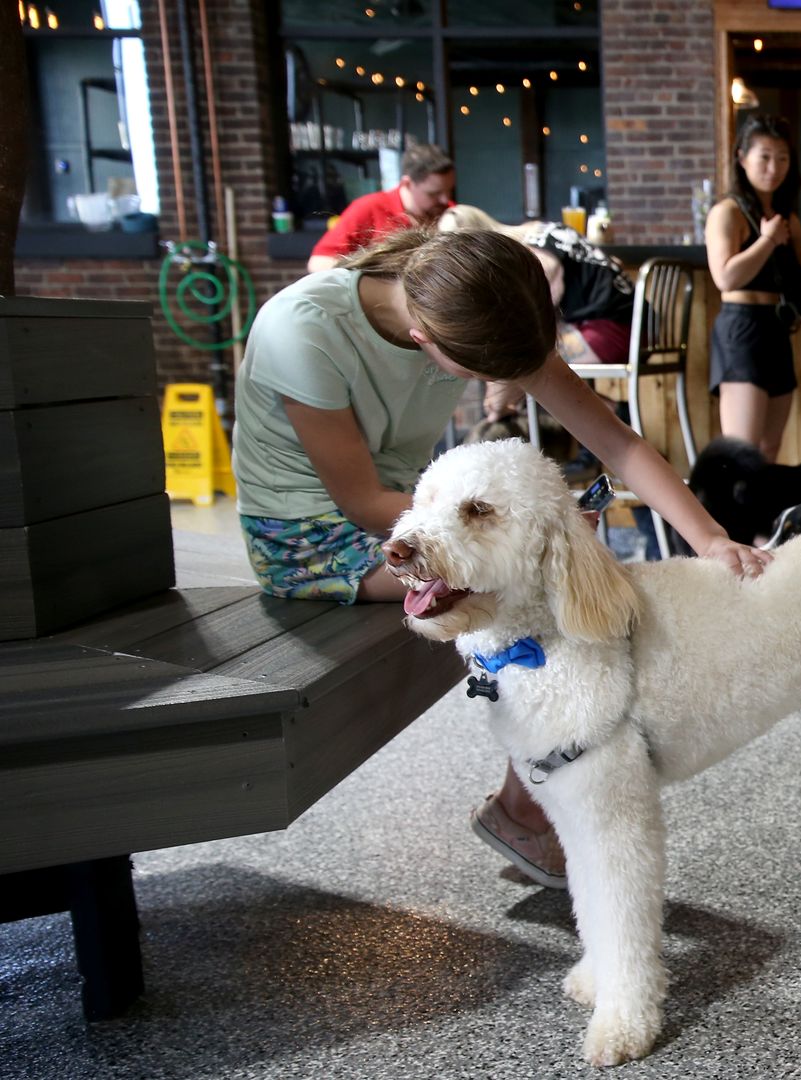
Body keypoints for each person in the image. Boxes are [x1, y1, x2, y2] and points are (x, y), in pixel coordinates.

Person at [231, 228, 770, 890]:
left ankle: (543, 787)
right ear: (429, 342)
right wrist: (519, 528)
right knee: (534, 584)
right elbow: (365, 500)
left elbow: (616, 442)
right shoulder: (302, 330)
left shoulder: (481, 305)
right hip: (311, 535)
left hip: (420, 510)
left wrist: (709, 537)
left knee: (558, 566)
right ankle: (528, 805)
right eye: (492, 375)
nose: (506, 384)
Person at [436, 205, 638, 420]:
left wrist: (500, 394)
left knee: (529, 363)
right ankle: (611, 417)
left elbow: (531, 320)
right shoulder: (541, 230)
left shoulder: (533, 255)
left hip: (613, 330)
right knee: (534, 367)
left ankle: (615, 419)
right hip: (631, 324)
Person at [706, 114, 801, 460]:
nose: (773, 167)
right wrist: (766, 240)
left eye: (782, 158)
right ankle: (727, 518)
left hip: (776, 329)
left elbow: (800, 276)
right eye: (764, 156)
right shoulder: (727, 212)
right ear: (742, 157)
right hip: (741, 326)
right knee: (742, 453)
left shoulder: (787, 218)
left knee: (769, 449)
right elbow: (725, 278)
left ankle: (762, 517)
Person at [306, 142, 456, 272]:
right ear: (407, 183)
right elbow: (319, 262)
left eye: (449, 190)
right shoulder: (368, 208)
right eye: (434, 193)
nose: (445, 199)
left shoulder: (452, 213)